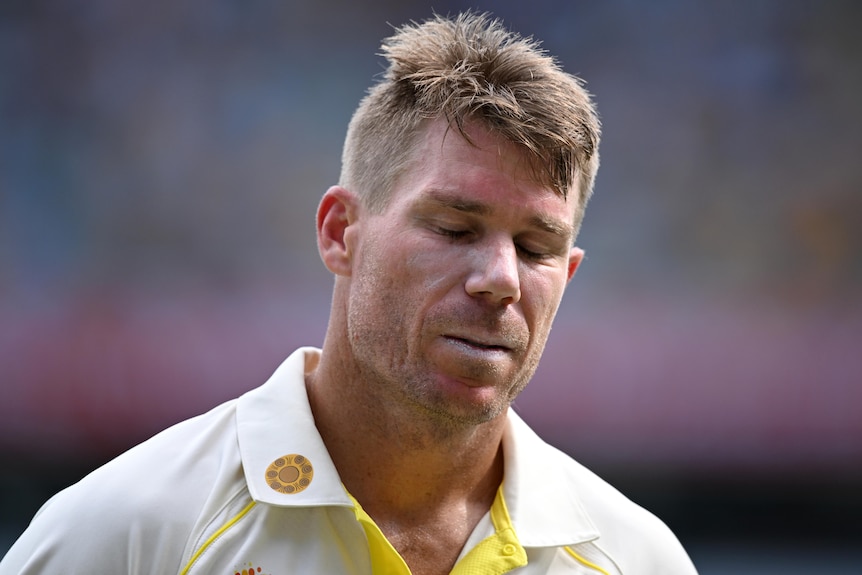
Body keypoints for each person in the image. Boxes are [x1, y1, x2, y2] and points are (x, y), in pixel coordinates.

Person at [1, 12, 698, 575]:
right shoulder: (126, 532)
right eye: (456, 227)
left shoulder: (634, 557)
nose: (501, 278)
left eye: (535, 247)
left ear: (567, 275)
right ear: (341, 232)